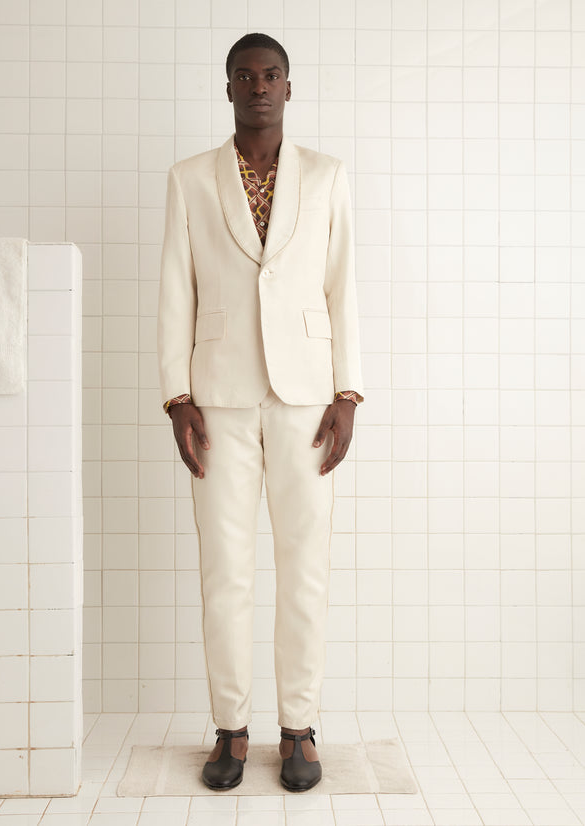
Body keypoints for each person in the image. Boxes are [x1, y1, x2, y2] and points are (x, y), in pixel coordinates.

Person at [157, 32, 363, 792]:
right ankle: (231, 730)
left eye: (270, 74)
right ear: (228, 87)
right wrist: (176, 396)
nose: (259, 85)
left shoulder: (329, 176)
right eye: (244, 76)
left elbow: (346, 287)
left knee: (305, 570)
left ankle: (300, 729)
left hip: (309, 400)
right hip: (217, 401)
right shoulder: (189, 180)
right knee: (225, 573)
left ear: (287, 84)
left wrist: (349, 393)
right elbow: (176, 288)